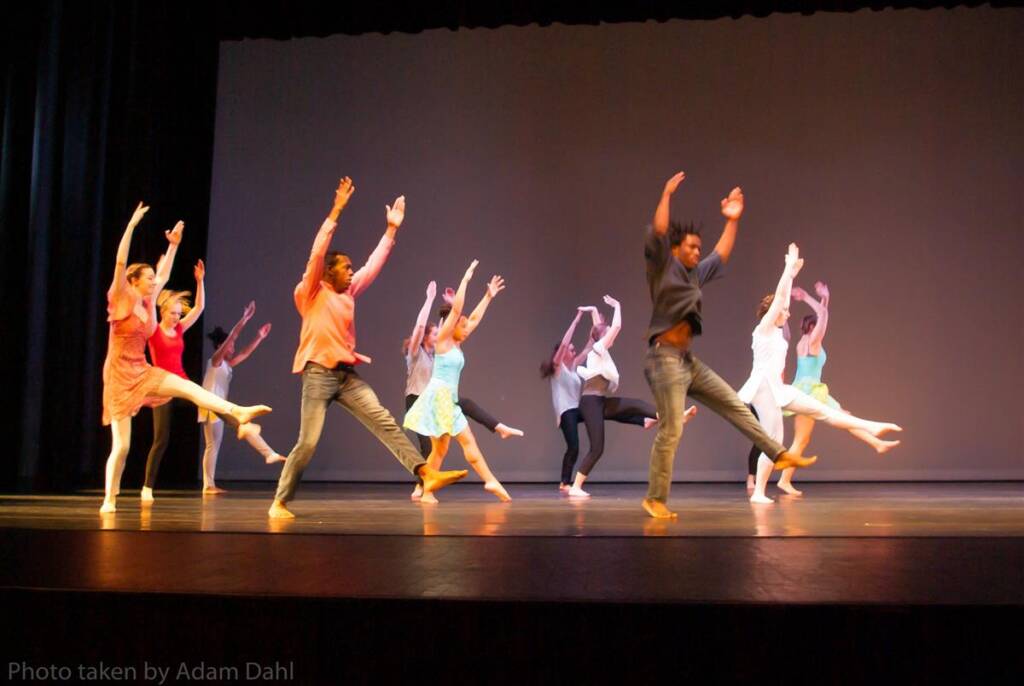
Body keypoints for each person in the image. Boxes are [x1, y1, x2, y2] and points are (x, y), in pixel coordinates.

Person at [268, 178, 466, 519]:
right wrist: (337, 209)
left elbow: (373, 265)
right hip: (317, 373)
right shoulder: (311, 291)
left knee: (386, 422)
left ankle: (425, 474)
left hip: (346, 375)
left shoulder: (348, 292)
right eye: (345, 267)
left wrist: (391, 230)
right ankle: (279, 502)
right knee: (309, 441)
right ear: (328, 272)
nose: (351, 271)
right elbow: (318, 251)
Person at [641, 171, 816, 519]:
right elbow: (659, 230)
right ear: (675, 249)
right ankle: (655, 499)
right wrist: (665, 194)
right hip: (663, 362)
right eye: (690, 247)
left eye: (698, 248)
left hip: (687, 362)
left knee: (735, 405)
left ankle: (777, 453)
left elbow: (721, 254)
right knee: (672, 428)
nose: (696, 252)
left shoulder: (694, 274)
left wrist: (732, 220)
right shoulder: (663, 268)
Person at [101, 203, 271, 513]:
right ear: (134, 280)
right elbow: (120, 259)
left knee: (190, 389)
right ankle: (109, 498)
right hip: (118, 377)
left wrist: (173, 245)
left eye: (154, 278)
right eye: (149, 278)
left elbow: (164, 274)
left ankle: (238, 412)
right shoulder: (122, 296)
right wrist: (132, 224)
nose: (155, 282)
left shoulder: (149, 301)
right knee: (122, 446)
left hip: (143, 370)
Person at [739, 244, 902, 504]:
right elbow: (780, 298)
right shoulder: (764, 328)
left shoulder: (780, 333)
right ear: (773, 312)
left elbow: (786, 305)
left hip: (779, 389)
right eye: (784, 311)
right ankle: (758, 492)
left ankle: (871, 426)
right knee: (774, 440)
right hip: (762, 389)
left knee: (825, 412)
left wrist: (810, 293)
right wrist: (788, 270)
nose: (788, 312)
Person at [769, 280, 900, 496]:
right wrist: (816, 298)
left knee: (844, 417)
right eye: (819, 328)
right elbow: (823, 315)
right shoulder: (813, 343)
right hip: (808, 393)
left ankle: (876, 443)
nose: (823, 331)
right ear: (813, 328)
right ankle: (783, 480)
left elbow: (823, 314)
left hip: (809, 390)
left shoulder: (805, 342)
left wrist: (823, 299)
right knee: (801, 440)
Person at [404, 260, 511, 503]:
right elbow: (459, 310)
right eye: (461, 325)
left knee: (442, 450)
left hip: (447, 400)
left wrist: (488, 296)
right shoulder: (442, 341)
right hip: (439, 397)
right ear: (452, 326)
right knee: (459, 443)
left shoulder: (457, 342)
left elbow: (473, 318)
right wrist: (465, 279)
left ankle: (480, 482)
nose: (467, 328)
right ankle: (488, 480)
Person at [199, 302, 287, 495]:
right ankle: (208, 485)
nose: (233, 347)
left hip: (222, 409)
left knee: (244, 427)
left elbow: (245, 353)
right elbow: (233, 335)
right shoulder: (215, 360)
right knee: (214, 443)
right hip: (211, 407)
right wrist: (244, 319)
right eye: (230, 345)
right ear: (221, 345)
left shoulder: (227, 365)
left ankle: (269, 454)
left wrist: (259, 337)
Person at [140, 258, 206, 501]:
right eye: (173, 313)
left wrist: (200, 282)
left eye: (179, 314)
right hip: (161, 386)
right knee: (162, 438)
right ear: (163, 312)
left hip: (181, 381)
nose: (177, 317)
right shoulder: (154, 330)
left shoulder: (179, 329)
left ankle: (244, 428)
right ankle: (147, 487)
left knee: (210, 402)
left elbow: (198, 309)